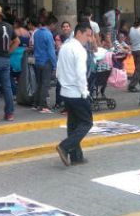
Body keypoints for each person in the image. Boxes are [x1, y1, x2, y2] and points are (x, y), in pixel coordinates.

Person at [55, 22, 94, 166]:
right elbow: (80, 74)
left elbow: (58, 70)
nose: (89, 39)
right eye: (88, 35)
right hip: (77, 92)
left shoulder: (64, 47)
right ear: (79, 33)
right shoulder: (79, 50)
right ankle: (64, 146)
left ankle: (76, 156)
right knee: (86, 123)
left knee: (73, 124)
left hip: (65, 91)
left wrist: (64, 84)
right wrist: (84, 92)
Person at [33, 14, 58, 113]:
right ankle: (43, 105)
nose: (55, 27)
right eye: (54, 25)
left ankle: (36, 103)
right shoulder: (48, 34)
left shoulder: (36, 33)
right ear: (51, 24)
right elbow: (51, 51)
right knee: (45, 84)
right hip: (46, 62)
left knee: (39, 83)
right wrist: (55, 64)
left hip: (38, 61)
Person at [127, 18, 140, 93]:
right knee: (139, 69)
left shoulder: (131, 29)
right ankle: (132, 86)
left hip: (134, 50)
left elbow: (129, 40)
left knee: (138, 68)